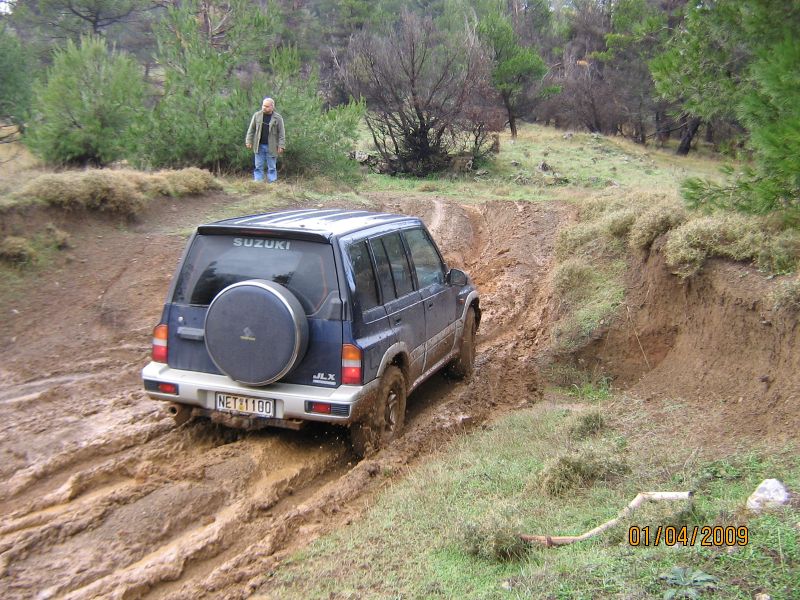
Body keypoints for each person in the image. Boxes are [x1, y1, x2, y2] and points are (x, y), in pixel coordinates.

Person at [245, 97, 285, 182]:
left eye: (266, 106)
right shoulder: (257, 115)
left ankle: (272, 183)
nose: (264, 107)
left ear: (272, 107)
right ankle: (258, 182)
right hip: (259, 145)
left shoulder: (278, 118)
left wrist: (281, 145)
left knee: (272, 167)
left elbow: (282, 133)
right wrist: (248, 141)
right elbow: (251, 129)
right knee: (258, 166)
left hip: (272, 146)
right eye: (263, 105)